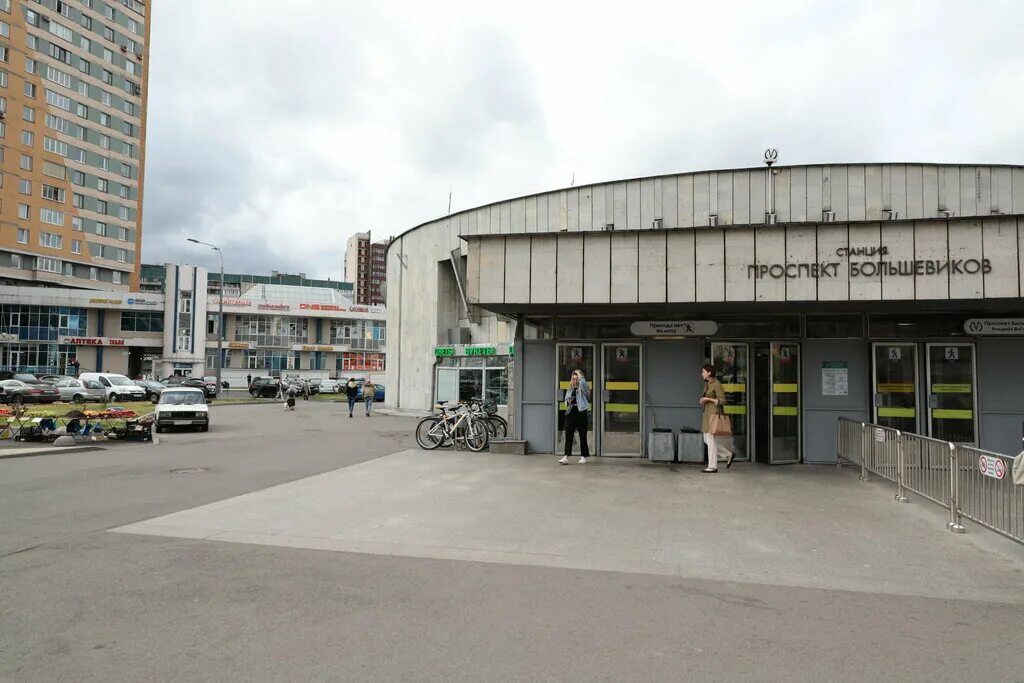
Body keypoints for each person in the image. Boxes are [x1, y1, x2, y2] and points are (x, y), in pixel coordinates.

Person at [700, 364, 734, 473]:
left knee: (710, 440)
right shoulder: (707, 384)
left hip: (713, 415)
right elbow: (707, 398)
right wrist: (703, 400)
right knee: (707, 439)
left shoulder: (717, 384)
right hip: (707, 414)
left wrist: (708, 399)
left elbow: (722, 401)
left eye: (703, 371)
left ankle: (712, 466)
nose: (702, 373)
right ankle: (728, 454)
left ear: (709, 373)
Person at [558, 369, 590, 465]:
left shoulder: (583, 388)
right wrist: (568, 401)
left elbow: (584, 385)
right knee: (569, 434)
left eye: (577, 379)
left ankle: (584, 456)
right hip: (571, 412)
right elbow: (566, 400)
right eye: (573, 379)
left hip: (581, 412)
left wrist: (580, 376)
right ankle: (566, 456)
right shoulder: (570, 388)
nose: (575, 380)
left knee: (582, 435)